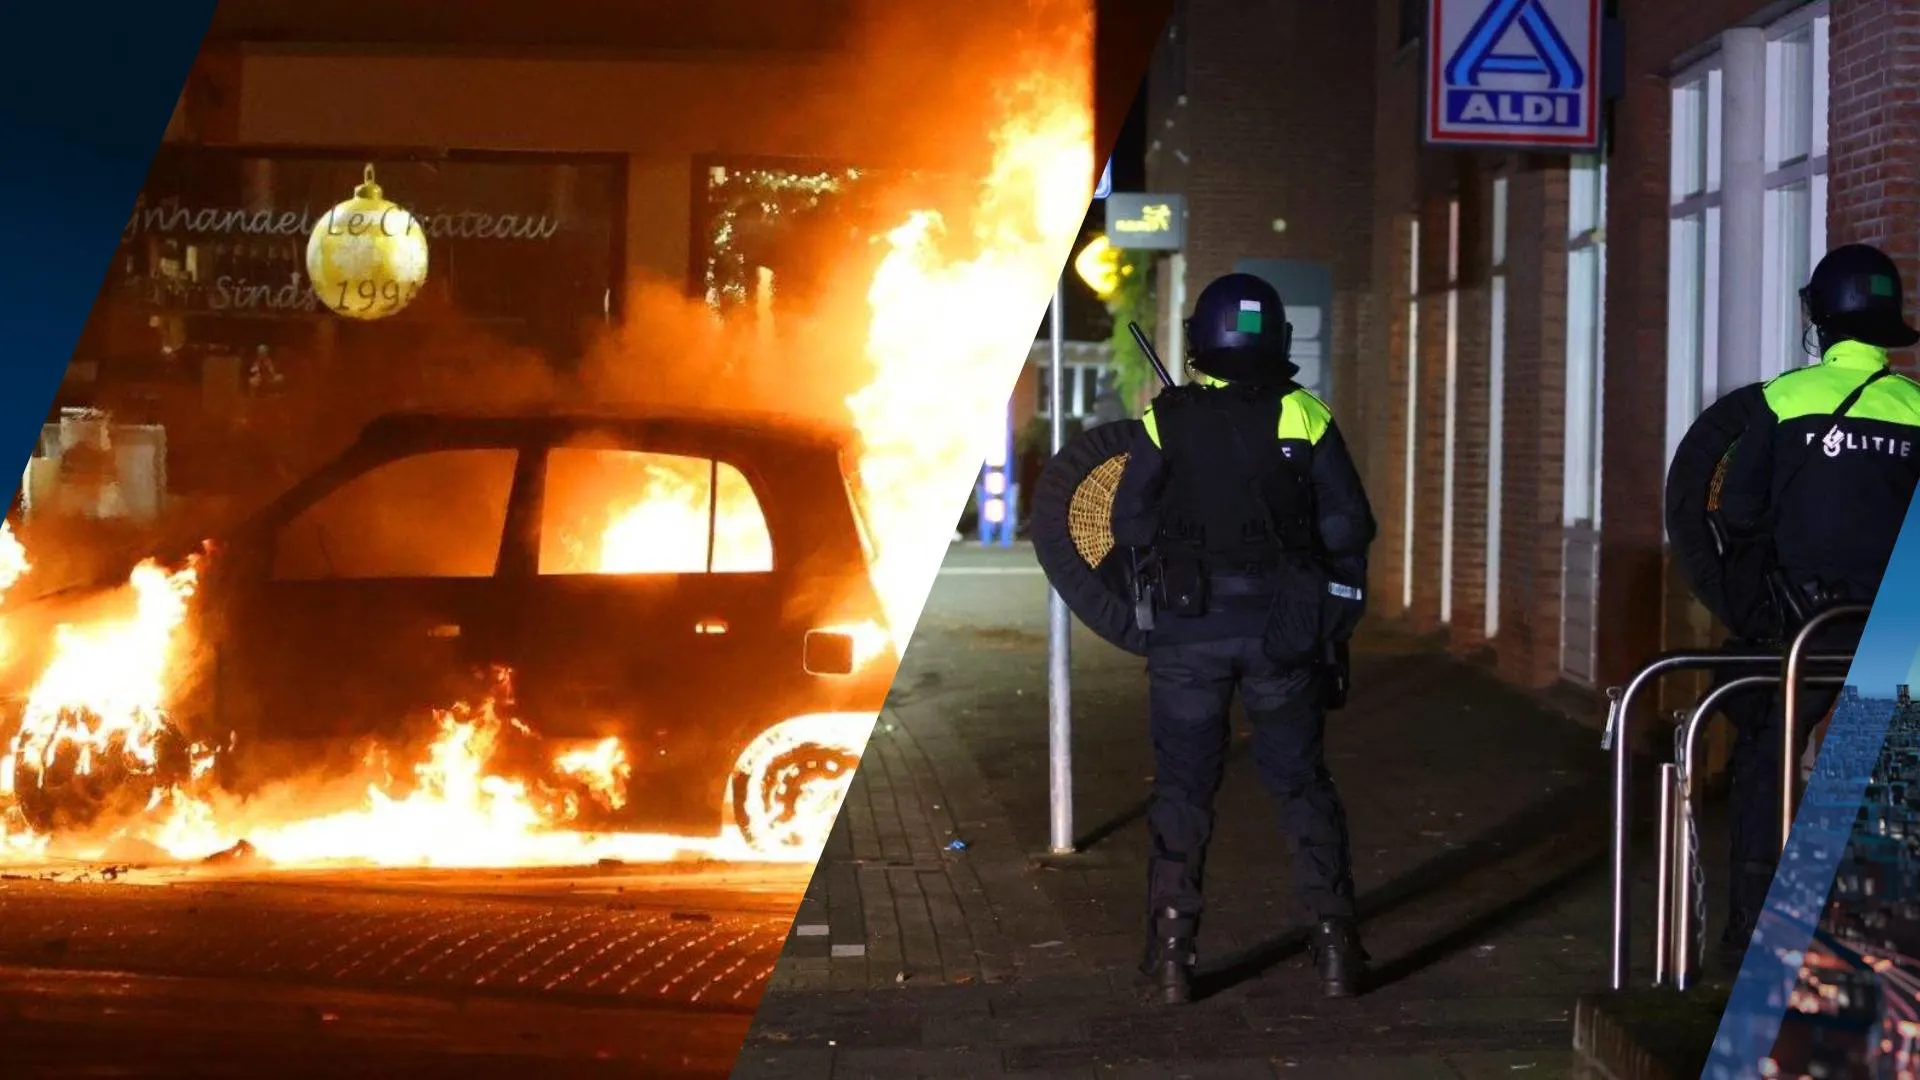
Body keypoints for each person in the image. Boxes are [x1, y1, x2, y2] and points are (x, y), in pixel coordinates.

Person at [1108, 272, 1377, 1004]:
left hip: (1188, 637)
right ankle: (1335, 947)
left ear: (1200, 339)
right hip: (1281, 637)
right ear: (1278, 339)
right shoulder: (1306, 414)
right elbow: (1348, 527)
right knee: (1301, 785)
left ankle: (1172, 954)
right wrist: (1327, 611)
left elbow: (1128, 523)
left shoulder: (1166, 419)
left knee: (1183, 791)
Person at [1716, 242, 1920, 974]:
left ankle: (1752, 935)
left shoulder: (1783, 399)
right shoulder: (1916, 406)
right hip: (1892, 625)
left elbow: (1736, 513)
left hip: (1800, 624)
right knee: (1878, 776)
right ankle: (1873, 945)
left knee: (1765, 762)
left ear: (1821, 320)